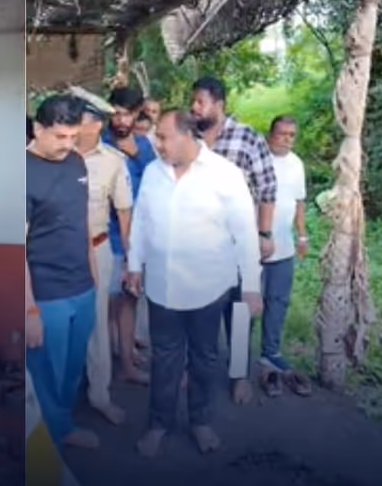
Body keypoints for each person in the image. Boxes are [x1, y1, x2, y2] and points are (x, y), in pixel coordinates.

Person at [124, 110, 262, 457]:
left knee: (204, 358)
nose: (158, 143)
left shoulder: (225, 174)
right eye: (157, 137)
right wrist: (134, 265)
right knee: (165, 359)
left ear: (188, 136)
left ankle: (200, 421)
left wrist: (251, 286)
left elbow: (245, 232)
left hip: (207, 288)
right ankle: (159, 425)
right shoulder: (154, 172)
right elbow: (140, 221)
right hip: (161, 288)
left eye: (164, 137)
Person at [190, 76, 278, 405]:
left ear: (219, 104)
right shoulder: (190, 138)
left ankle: (239, 377)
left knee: (240, 315)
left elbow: (267, 189)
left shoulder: (247, 138)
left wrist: (265, 233)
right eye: (194, 102)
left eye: (200, 102)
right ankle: (196, 371)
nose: (194, 108)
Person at [26, 94, 101, 451]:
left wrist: (94, 273)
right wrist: (29, 310)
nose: (68, 145)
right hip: (46, 293)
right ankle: (47, 447)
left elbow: (81, 222)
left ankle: (63, 428)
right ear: (38, 129)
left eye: (73, 136)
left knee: (72, 370)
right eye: (60, 137)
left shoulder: (76, 163)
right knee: (47, 375)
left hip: (82, 286)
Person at [68, 87, 134, 425]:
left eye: (78, 119)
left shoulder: (113, 161)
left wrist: (130, 263)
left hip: (98, 248)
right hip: (56, 252)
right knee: (57, 325)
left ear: (94, 125)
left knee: (96, 324)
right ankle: (57, 403)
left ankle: (99, 395)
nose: (71, 125)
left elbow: (124, 213)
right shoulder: (53, 153)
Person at [104, 86, 157, 384]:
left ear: (137, 113)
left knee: (128, 301)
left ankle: (126, 363)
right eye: (117, 113)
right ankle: (103, 367)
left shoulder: (144, 146)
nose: (121, 120)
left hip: (136, 240)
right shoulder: (99, 141)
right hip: (106, 237)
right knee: (105, 306)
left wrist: (135, 155)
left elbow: (155, 184)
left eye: (127, 114)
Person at [259, 115, 312, 397]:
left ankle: (270, 354)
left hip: (284, 248)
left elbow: (299, 202)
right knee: (245, 306)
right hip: (254, 249)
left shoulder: (296, 164)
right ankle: (239, 363)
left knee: (277, 303)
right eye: (282, 134)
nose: (287, 139)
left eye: (292, 135)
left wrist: (302, 235)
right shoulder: (257, 158)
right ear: (271, 134)